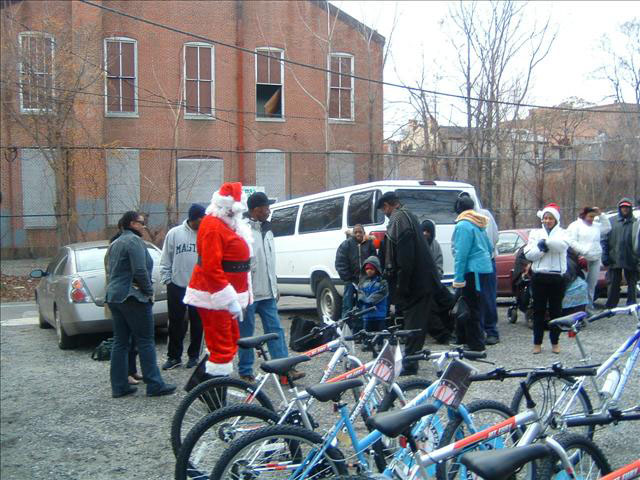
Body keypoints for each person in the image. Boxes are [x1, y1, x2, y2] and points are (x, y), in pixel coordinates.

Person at [184, 182, 252, 378]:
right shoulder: (213, 226)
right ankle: (215, 398)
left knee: (229, 341)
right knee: (221, 347)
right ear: (227, 208)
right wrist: (229, 300)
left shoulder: (228, 224)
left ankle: (206, 388)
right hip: (215, 299)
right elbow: (211, 267)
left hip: (224, 298)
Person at [105, 211, 176, 398]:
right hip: (133, 297)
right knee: (145, 341)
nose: (143, 226)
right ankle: (155, 384)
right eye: (140, 223)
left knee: (120, 342)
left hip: (114, 297)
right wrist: (148, 291)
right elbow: (139, 270)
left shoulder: (115, 243)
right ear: (131, 223)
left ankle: (119, 386)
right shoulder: (134, 242)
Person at [376, 191, 448, 376]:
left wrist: (402, 285)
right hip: (423, 279)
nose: (384, 213)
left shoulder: (399, 220)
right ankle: (412, 358)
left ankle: (410, 363)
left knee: (413, 323)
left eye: (383, 209)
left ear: (388, 206)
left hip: (416, 281)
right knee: (418, 321)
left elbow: (405, 257)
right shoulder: (409, 216)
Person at [238, 192, 304, 383]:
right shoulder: (242, 230)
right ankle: (245, 370)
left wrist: (274, 286)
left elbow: (269, 261)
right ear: (255, 209)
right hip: (248, 293)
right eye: (266, 207)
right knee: (246, 333)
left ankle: (285, 370)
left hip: (267, 292)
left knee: (275, 330)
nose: (269, 211)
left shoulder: (267, 229)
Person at [159, 204, 205, 370]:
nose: (204, 221)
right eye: (201, 218)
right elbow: (166, 258)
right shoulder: (174, 233)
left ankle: (194, 356)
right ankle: (174, 357)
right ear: (193, 218)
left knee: (198, 323)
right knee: (176, 323)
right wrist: (167, 280)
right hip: (177, 285)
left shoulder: (206, 234)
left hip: (199, 286)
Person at [451, 195, 494, 353]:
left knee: (471, 308)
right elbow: (489, 248)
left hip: (472, 271)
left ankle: (475, 345)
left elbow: (461, 254)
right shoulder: (478, 224)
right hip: (483, 269)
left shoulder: (463, 225)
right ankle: (475, 340)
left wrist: (458, 279)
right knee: (477, 306)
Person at [524, 203, 569, 354]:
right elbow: (529, 254)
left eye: (550, 218)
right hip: (539, 277)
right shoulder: (535, 234)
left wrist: (547, 243)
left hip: (557, 277)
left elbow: (562, 246)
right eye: (545, 218)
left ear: (556, 220)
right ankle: (537, 342)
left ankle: (555, 342)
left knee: (556, 311)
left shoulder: (563, 233)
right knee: (538, 311)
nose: (547, 221)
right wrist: (541, 249)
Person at [104, 220, 142, 386]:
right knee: (123, 340)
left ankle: (131, 371)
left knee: (132, 339)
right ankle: (125, 374)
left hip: (121, 296)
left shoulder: (123, 243)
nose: (141, 226)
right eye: (139, 223)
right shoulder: (119, 245)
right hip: (125, 297)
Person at [566, 206, 611, 312]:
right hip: (582, 260)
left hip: (595, 258)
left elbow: (607, 228)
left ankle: (589, 307)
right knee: (582, 284)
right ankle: (580, 308)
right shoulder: (575, 226)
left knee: (592, 284)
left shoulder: (596, 226)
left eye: (593, 217)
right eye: (590, 216)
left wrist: (602, 215)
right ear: (584, 215)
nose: (591, 219)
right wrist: (583, 251)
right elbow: (571, 241)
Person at [335, 223, 376, 331]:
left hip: (365, 280)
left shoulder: (369, 244)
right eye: (356, 232)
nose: (358, 234)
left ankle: (361, 329)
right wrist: (347, 277)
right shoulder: (346, 245)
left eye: (360, 232)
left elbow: (374, 261)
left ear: (364, 233)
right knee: (347, 304)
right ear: (353, 233)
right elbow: (340, 262)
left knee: (363, 305)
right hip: (350, 280)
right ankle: (345, 329)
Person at [602, 198, 639, 307]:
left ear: (630, 208)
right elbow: (604, 239)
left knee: (632, 283)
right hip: (614, 256)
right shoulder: (611, 221)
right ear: (619, 208)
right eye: (623, 207)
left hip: (631, 257)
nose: (625, 209)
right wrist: (605, 255)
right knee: (613, 283)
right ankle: (611, 305)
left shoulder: (636, 222)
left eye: (627, 207)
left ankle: (631, 304)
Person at [357, 255, 389, 334]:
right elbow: (360, 293)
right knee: (367, 337)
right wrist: (362, 300)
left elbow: (381, 294)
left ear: (376, 269)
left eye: (371, 269)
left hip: (379, 315)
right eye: (367, 269)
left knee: (380, 336)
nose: (369, 271)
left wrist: (368, 301)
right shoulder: (362, 283)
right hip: (367, 316)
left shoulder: (382, 282)